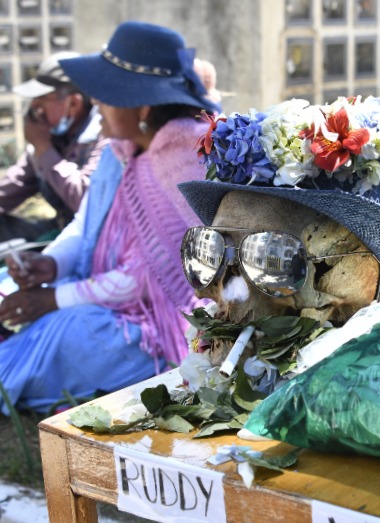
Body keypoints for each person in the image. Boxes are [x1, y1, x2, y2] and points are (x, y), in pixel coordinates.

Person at [0, 21, 219, 414]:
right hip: (105, 288)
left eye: (107, 94)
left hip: (154, 322)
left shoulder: (181, 158)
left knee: (62, 332)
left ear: (143, 107)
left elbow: (150, 279)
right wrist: (50, 263)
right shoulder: (120, 151)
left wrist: (53, 299)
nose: (96, 103)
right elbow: (86, 224)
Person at [0, 51, 107, 243]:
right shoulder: (52, 135)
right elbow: (11, 188)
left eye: (42, 99)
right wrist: (42, 148)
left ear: (73, 103)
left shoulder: (105, 133)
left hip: (96, 241)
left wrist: (44, 149)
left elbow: (88, 203)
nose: (35, 107)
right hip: (61, 230)